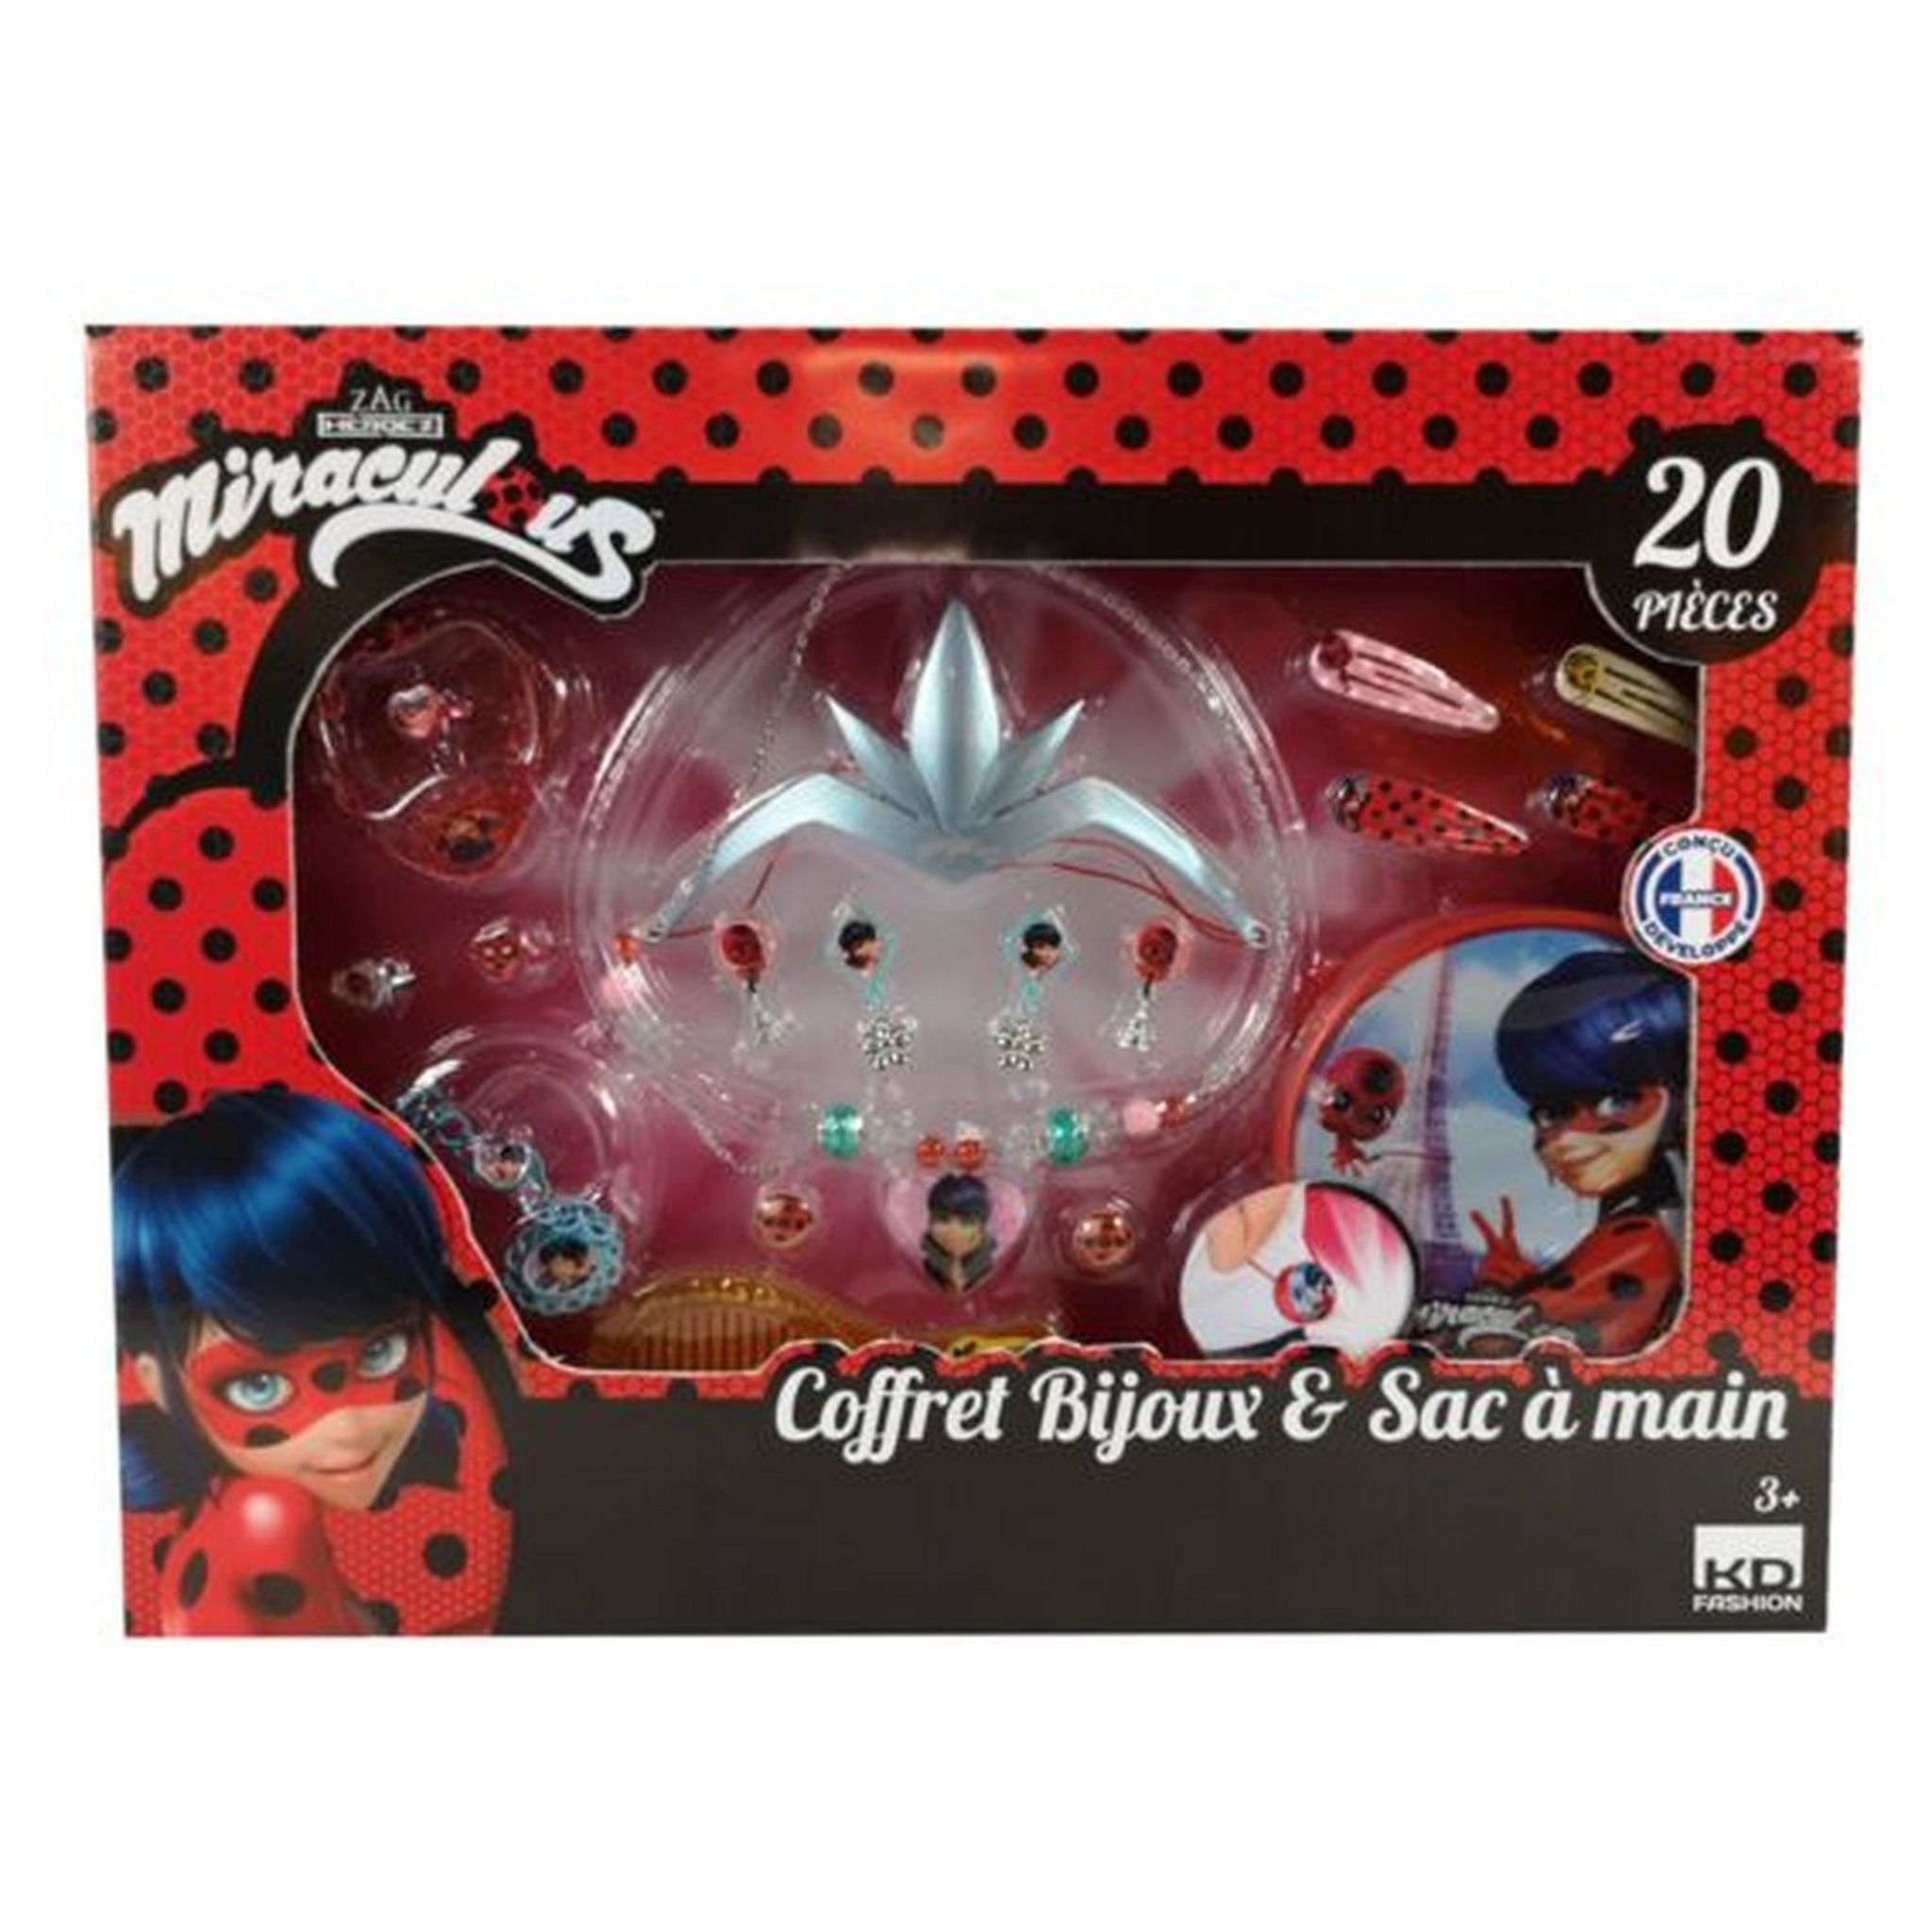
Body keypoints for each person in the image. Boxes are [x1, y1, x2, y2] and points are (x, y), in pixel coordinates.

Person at [114, 1089, 511, 1635]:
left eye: (380, 1352)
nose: (347, 1429)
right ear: (157, 1383)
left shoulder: (242, 1519)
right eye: (258, 1385)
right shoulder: (266, 1522)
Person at [1467, 948, 1689, 1357]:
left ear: (1679, 1097)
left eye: (1617, 1102)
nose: (1567, 1139)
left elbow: (1492, 1347)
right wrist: (1522, 1285)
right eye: (1551, 1112)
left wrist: (1499, 1296)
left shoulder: (1643, 1239)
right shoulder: (1637, 1224)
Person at [921, 1172, 998, 1291]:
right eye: (943, 1219)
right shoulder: (919, 1268)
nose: (954, 1230)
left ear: (982, 1226)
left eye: (966, 1222)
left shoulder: (996, 1270)